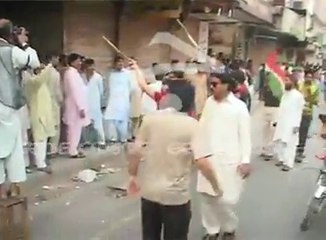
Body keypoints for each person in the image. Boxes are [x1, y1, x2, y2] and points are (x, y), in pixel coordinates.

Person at [128, 61, 222, 240]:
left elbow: (135, 151)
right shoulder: (192, 125)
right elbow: (202, 162)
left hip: (149, 194)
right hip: (175, 197)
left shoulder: (149, 120)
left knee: (150, 236)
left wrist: (132, 176)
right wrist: (216, 186)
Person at [197, 72, 251, 240]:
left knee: (226, 199)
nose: (212, 87)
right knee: (206, 197)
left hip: (229, 160)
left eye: (215, 84)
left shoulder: (239, 107)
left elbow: (245, 136)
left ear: (227, 85)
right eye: (210, 84)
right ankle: (211, 230)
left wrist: (245, 160)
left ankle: (229, 227)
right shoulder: (209, 103)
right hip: (208, 159)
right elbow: (201, 128)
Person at [0, 19, 40, 198]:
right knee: (14, 147)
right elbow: (34, 63)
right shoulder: (13, 52)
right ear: (12, 34)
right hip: (7, 106)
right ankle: (15, 188)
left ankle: (1, 192)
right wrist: (24, 43)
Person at [24, 64, 56, 174]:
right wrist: (49, 65)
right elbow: (41, 79)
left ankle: (41, 161)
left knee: (43, 139)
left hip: (44, 114)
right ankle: (40, 164)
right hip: (37, 114)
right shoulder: (32, 82)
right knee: (39, 139)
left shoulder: (40, 82)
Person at [273, 74, 305, 171]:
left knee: (290, 143)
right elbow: (281, 109)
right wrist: (277, 120)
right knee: (280, 141)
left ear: (293, 82)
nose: (285, 82)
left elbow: (299, 111)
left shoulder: (298, 96)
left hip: (292, 123)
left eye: (287, 80)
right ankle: (281, 159)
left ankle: (289, 163)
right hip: (282, 121)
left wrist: (296, 125)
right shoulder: (285, 94)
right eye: (285, 80)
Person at [63, 53, 91, 158]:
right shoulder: (71, 73)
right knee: (74, 129)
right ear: (72, 62)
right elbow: (75, 91)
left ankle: (74, 149)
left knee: (75, 129)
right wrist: (81, 108)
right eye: (78, 61)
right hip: (75, 106)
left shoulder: (73, 73)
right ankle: (72, 151)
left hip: (75, 105)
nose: (80, 63)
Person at [103, 56, 133, 144]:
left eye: (121, 62)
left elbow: (131, 87)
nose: (120, 64)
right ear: (114, 64)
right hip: (112, 100)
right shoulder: (110, 74)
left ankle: (123, 138)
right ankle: (113, 138)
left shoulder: (128, 73)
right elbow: (107, 87)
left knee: (123, 120)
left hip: (124, 100)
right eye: (118, 62)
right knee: (111, 120)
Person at [82, 58, 106, 148]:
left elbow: (101, 91)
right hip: (84, 103)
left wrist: (101, 103)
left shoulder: (98, 77)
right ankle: (87, 141)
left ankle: (101, 142)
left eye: (92, 66)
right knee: (85, 124)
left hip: (95, 103)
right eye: (88, 66)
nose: (90, 68)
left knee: (98, 124)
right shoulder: (82, 77)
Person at [296, 71, 319, 162]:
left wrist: (310, 97)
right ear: (304, 77)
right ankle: (294, 150)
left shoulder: (314, 87)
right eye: (307, 77)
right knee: (296, 132)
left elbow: (316, 101)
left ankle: (300, 152)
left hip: (307, 113)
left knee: (303, 133)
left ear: (312, 78)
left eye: (310, 77)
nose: (308, 79)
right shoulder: (300, 85)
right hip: (298, 113)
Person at [261, 71, 281, 160]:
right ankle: (264, 148)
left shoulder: (277, 87)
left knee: (272, 130)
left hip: (275, 108)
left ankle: (270, 151)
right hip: (266, 107)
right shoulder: (266, 86)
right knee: (265, 129)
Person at [46, 53, 63, 157]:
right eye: (57, 58)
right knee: (55, 127)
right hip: (53, 102)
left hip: (43, 102)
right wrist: (61, 101)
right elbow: (57, 90)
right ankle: (53, 150)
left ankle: (43, 151)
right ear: (52, 58)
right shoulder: (54, 73)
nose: (58, 60)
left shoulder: (41, 72)